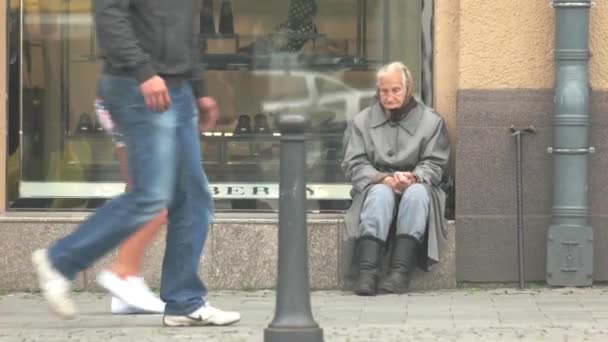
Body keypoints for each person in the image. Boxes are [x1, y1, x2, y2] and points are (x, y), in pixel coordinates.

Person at [32, 0, 240, 327]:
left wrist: (199, 89)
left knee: (192, 196)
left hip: (178, 89)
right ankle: (59, 262)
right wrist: (143, 72)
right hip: (136, 86)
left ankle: (185, 302)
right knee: (151, 196)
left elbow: (185, 32)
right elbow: (109, 16)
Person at [341, 62, 450, 296]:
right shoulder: (362, 121)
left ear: (408, 88)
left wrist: (414, 177)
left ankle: (400, 273)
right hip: (375, 187)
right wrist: (382, 178)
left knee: (417, 194)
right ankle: (367, 273)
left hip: (417, 186)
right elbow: (354, 163)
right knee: (380, 194)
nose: (389, 97)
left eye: (395, 90)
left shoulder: (431, 122)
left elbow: (435, 162)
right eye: (384, 91)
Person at [94, 98, 166, 315]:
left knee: (144, 192)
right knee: (153, 195)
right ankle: (123, 274)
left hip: (128, 102)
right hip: (135, 102)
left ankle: (125, 284)